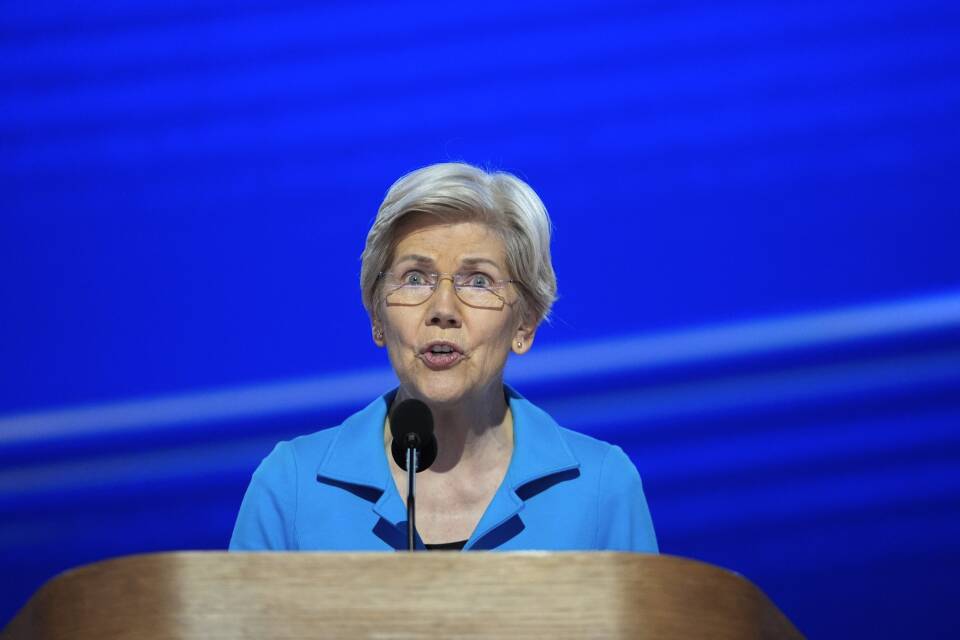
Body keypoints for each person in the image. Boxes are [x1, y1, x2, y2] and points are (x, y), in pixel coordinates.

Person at [229, 162, 658, 552]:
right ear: (376, 315)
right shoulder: (293, 487)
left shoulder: (601, 488)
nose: (443, 310)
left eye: (478, 281)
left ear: (525, 323)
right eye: (415, 279)